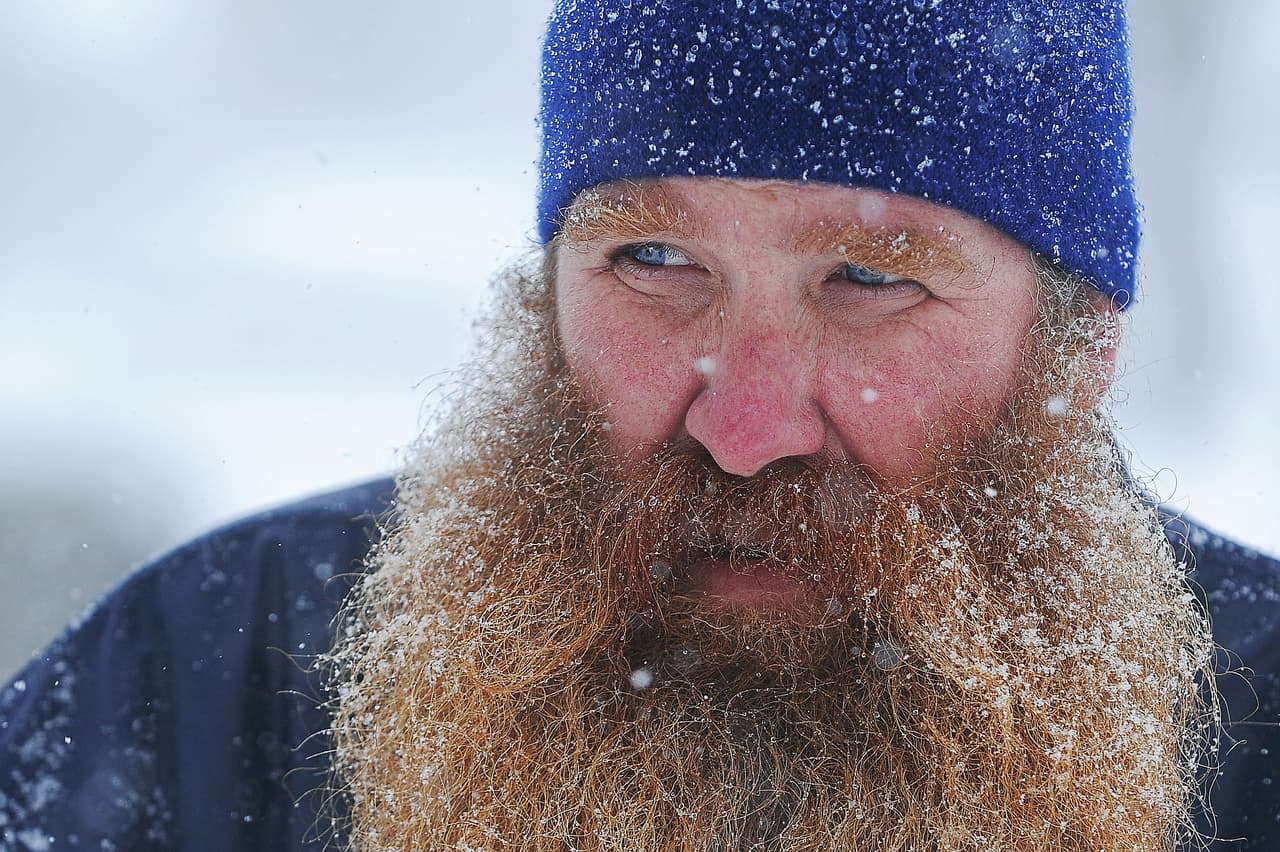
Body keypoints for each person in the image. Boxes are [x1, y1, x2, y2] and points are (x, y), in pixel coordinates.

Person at [3, 0, 1278, 849]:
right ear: (541, 294)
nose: (743, 427)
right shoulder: (211, 682)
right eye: (654, 258)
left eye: (873, 281)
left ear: (1077, 346)